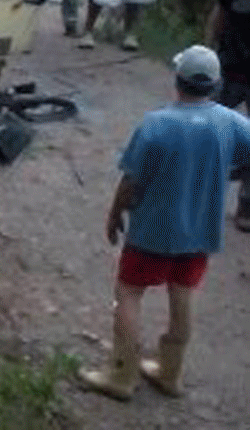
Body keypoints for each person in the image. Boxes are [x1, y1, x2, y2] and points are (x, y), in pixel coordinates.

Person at [76, 44, 250, 401]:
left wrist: (114, 214)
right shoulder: (232, 122)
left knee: (128, 292)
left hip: (152, 231)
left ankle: (121, 374)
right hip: (200, 234)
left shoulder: (158, 124)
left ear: (177, 80)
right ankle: (170, 371)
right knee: (183, 294)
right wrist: (232, 173)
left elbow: (131, 182)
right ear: (216, 85)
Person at [205, 0, 250, 231]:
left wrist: (207, 51)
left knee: (209, 124)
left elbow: (219, 10)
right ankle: (246, 210)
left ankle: (198, 190)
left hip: (234, 59)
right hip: (235, 56)